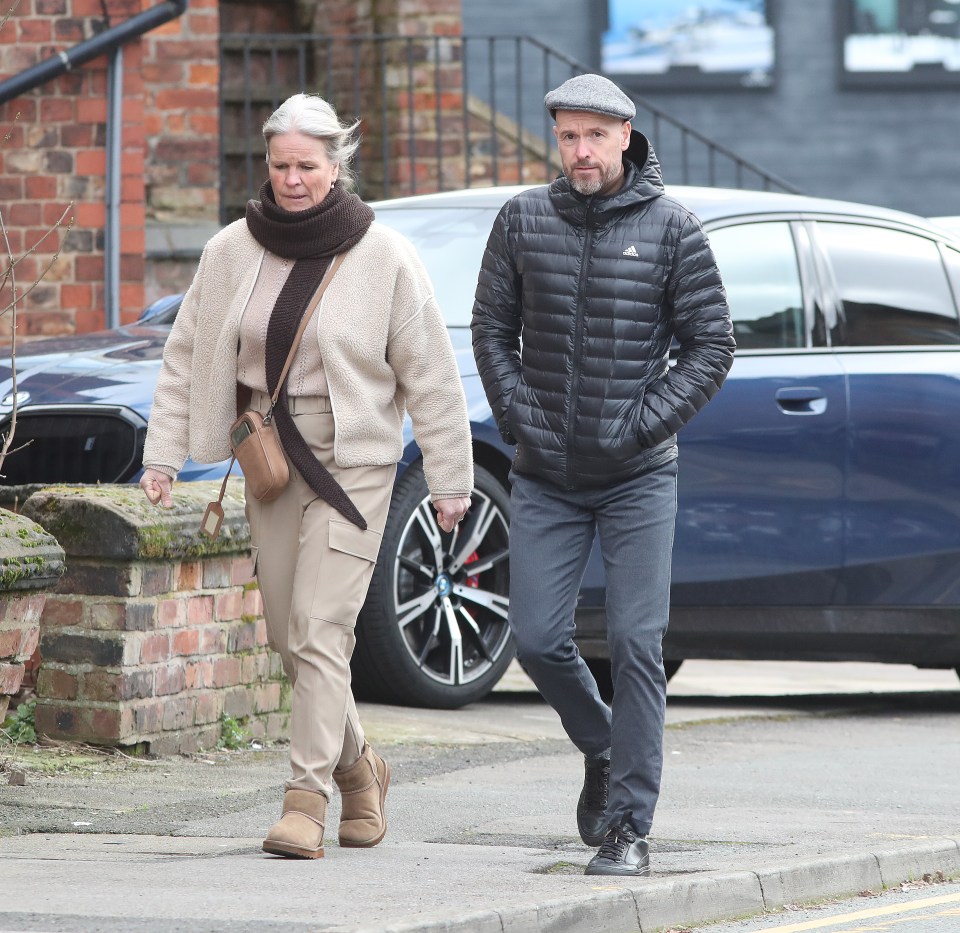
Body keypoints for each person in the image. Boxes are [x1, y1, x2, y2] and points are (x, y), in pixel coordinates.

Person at [140, 93, 474, 860]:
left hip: (353, 458)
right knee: (294, 641)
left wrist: (451, 476)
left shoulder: (383, 254)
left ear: (337, 164)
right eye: (280, 165)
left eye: (308, 166)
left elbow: (430, 372)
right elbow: (187, 353)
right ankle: (364, 771)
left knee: (323, 630)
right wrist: (163, 456)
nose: (292, 180)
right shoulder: (232, 248)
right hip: (269, 456)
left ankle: (305, 799)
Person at [471, 74, 735, 877]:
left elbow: (712, 346)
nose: (580, 151)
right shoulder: (522, 219)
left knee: (633, 642)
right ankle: (601, 745)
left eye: (594, 135)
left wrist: (639, 424)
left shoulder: (672, 229)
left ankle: (629, 827)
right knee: (538, 637)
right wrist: (522, 418)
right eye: (567, 136)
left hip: (637, 476)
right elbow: (491, 328)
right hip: (547, 472)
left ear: (626, 134)